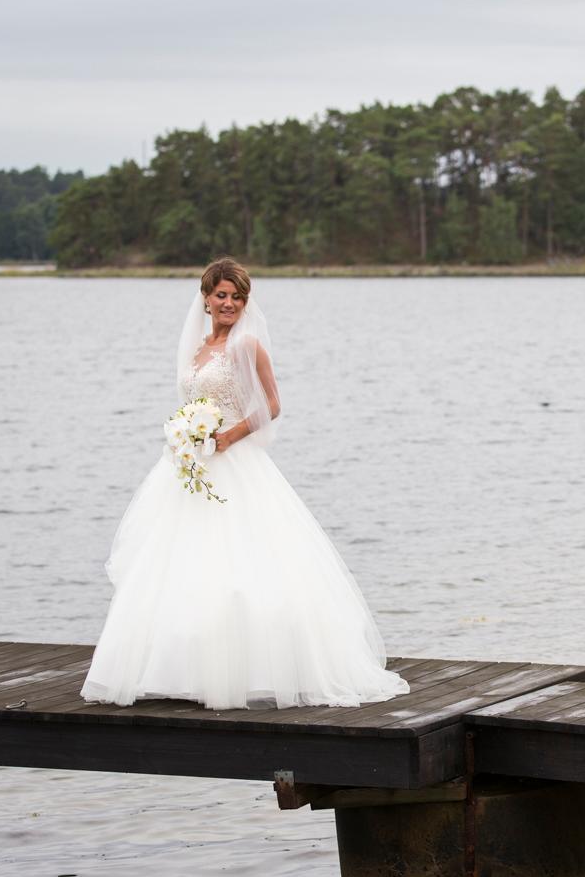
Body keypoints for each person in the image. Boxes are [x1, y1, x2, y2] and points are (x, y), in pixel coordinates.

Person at [80, 257, 409, 710]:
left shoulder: (247, 345)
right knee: (180, 565)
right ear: (207, 298)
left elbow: (272, 405)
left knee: (243, 563)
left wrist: (229, 437)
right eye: (221, 295)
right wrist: (187, 437)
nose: (229, 303)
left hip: (236, 463)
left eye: (237, 296)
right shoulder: (197, 349)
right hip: (192, 468)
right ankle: (176, 669)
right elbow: (191, 402)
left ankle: (248, 671)